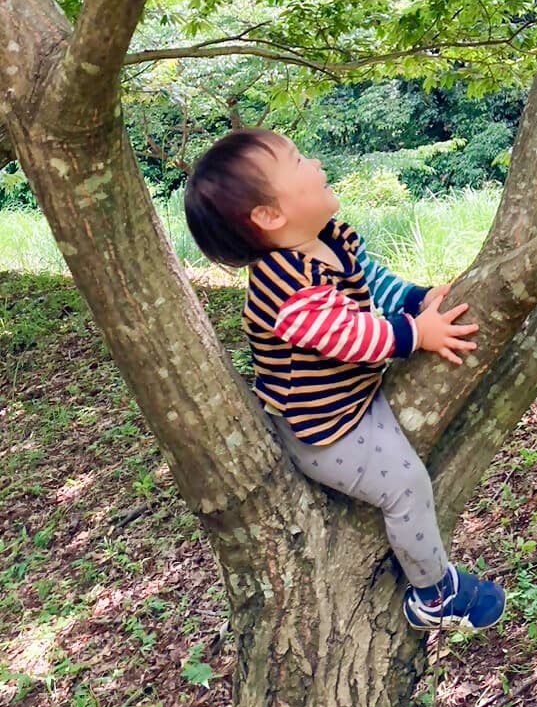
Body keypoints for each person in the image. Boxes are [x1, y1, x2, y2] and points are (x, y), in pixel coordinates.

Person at [184, 128, 506, 633]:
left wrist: (415, 298)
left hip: (354, 396)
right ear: (269, 215)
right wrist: (415, 332)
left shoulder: (328, 241)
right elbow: (347, 337)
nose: (314, 164)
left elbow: (367, 280)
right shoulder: (283, 286)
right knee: (405, 487)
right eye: (297, 162)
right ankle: (434, 593)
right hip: (325, 429)